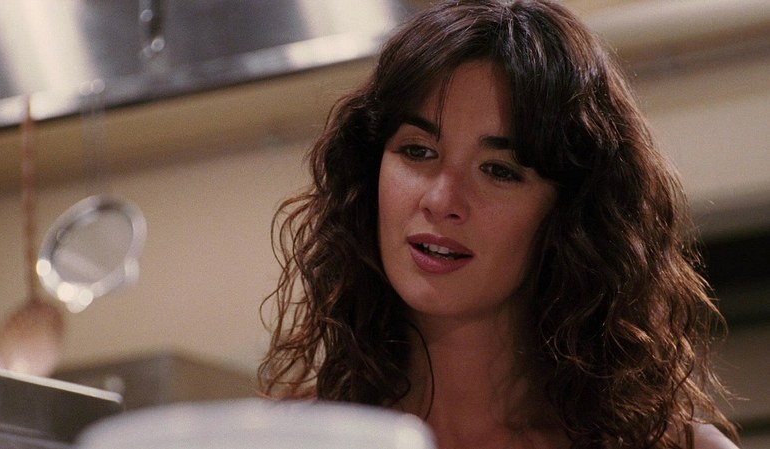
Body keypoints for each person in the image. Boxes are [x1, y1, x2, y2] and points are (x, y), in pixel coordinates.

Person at [258, 1, 741, 448]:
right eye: (418, 151)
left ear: (571, 214)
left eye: (499, 171)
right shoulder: (290, 441)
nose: (441, 201)